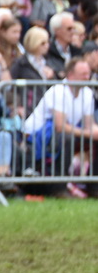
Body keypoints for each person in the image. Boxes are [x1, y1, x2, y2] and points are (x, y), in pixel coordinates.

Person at [23, 57, 98, 195]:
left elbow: (89, 125)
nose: (87, 78)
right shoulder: (59, 91)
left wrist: (94, 132)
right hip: (38, 135)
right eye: (83, 74)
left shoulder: (87, 93)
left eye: (88, 74)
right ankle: (59, 188)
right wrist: (89, 133)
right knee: (67, 139)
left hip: (65, 132)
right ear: (70, 75)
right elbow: (60, 126)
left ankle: (94, 187)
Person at [47, 12, 83, 77]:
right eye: (69, 29)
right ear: (57, 30)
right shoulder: (47, 51)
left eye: (73, 29)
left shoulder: (77, 51)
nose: (73, 32)